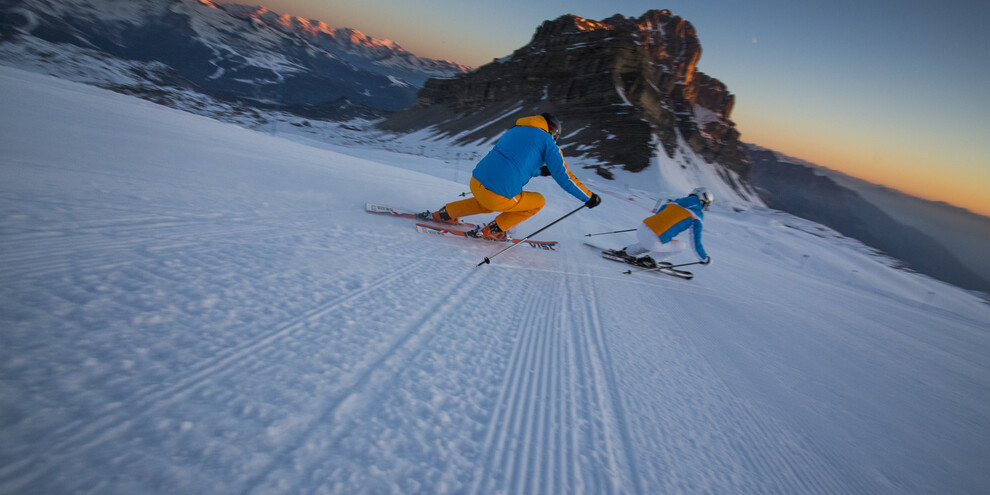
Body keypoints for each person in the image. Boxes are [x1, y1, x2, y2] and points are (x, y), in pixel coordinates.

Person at [418, 113, 601, 240]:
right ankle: (494, 230)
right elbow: (565, 177)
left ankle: (445, 214)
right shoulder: (549, 142)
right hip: (497, 195)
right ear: (553, 131)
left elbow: (513, 161)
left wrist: (539, 171)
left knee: (487, 202)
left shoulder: (515, 130)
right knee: (538, 202)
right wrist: (589, 197)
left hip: (476, 183)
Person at [608, 187, 713, 268]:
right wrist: (703, 258)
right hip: (653, 239)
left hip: (643, 228)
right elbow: (695, 241)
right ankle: (651, 259)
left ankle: (628, 252)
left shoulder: (676, 201)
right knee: (681, 245)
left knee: (653, 239)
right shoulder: (697, 215)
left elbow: (660, 213)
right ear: (704, 200)